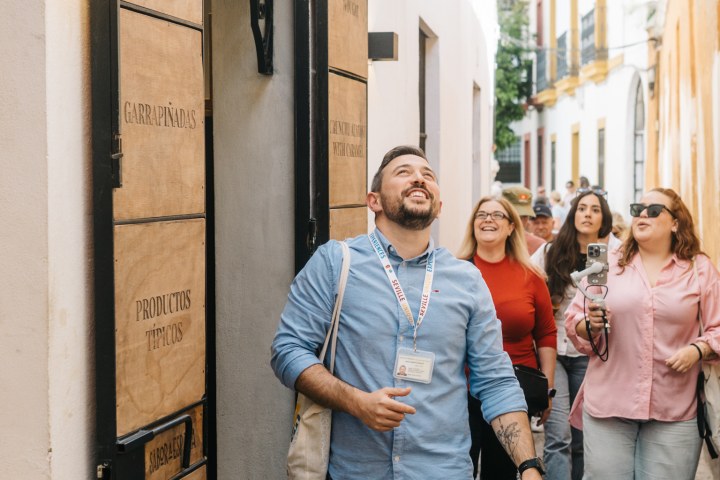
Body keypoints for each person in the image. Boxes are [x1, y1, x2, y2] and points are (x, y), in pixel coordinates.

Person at [271, 145, 545, 479]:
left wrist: (529, 466)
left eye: (428, 175)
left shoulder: (467, 280)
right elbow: (288, 350)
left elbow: (496, 381)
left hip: (444, 470)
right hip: (355, 471)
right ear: (374, 201)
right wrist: (355, 401)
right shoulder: (336, 263)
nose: (418, 177)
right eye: (403, 172)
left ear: (439, 206)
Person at [565, 187, 720, 479]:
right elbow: (575, 319)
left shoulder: (699, 269)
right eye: (637, 209)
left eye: (653, 210)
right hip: (610, 405)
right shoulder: (605, 261)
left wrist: (697, 350)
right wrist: (591, 324)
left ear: (675, 222)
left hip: (674, 409)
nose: (642, 215)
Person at [458, 195, 557, 479]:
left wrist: (547, 388)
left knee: (500, 472)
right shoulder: (454, 271)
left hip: (512, 391)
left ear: (512, 227)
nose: (488, 219)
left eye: (497, 215)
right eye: (481, 215)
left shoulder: (531, 276)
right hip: (459, 390)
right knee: (456, 467)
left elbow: (546, 334)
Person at [530, 189, 618, 480]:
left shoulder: (616, 255)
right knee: (558, 436)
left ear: (603, 217)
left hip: (591, 353)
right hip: (555, 350)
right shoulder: (549, 252)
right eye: (582, 208)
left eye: (595, 209)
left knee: (583, 437)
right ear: (573, 214)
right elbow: (526, 277)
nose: (587, 214)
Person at [502, 186, 546, 255]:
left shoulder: (538, 245)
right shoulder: (489, 242)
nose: (520, 221)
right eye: (515, 216)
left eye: (524, 216)